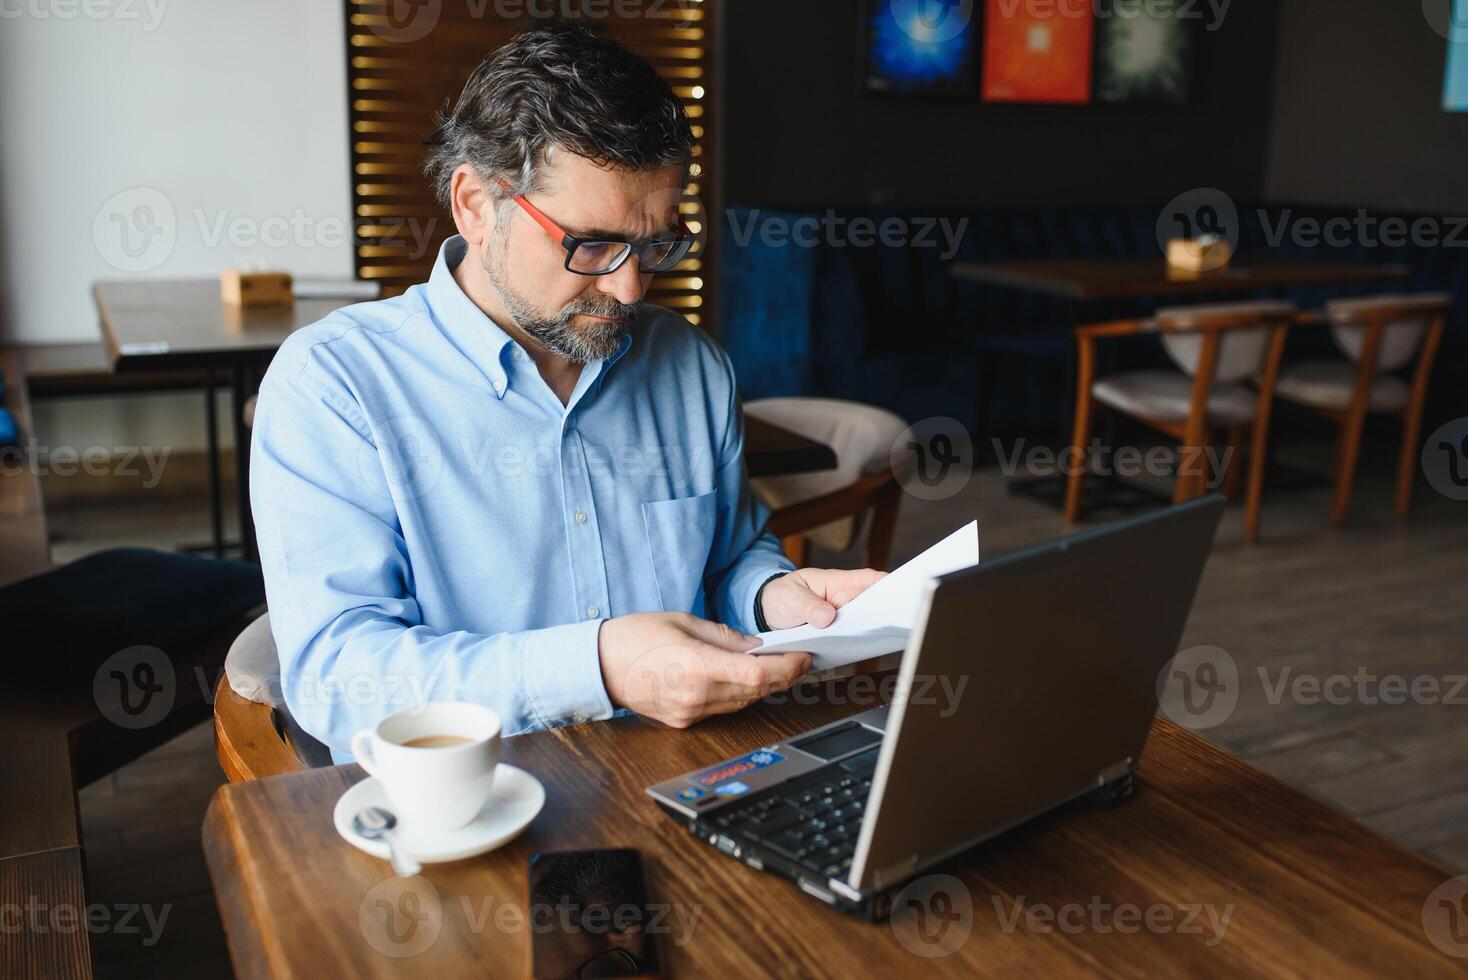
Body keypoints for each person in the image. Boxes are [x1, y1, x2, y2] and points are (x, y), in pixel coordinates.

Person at [250, 26, 885, 760]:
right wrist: (601, 667)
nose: (629, 287)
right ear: (476, 205)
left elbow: (727, 560)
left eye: (654, 246)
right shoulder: (336, 387)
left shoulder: (692, 367)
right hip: (470, 810)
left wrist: (779, 597)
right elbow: (340, 679)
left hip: (684, 777)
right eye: (590, 245)